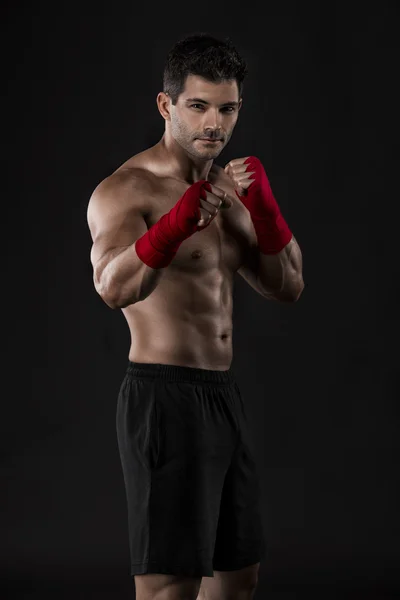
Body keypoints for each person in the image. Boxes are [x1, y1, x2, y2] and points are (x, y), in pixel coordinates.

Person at [87, 32, 304, 600]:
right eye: (199, 106)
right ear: (166, 105)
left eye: (227, 108)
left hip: (222, 397)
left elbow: (289, 286)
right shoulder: (125, 190)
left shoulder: (230, 191)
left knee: (237, 579)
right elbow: (112, 287)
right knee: (169, 588)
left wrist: (265, 212)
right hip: (164, 399)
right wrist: (174, 226)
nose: (215, 123)